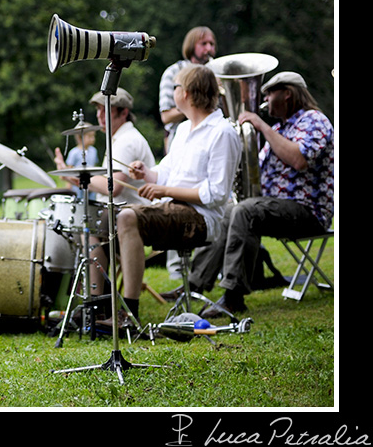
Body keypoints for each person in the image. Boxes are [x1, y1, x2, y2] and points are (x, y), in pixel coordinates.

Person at [177, 71, 334, 319]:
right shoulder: (281, 128)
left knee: (245, 211)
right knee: (228, 210)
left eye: (270, 94)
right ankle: (193, 286)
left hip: (307, 210)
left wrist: (261, 126)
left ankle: (233, 297)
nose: (265, 99)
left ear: (287, 94)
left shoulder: (314, 120)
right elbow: (254, 171)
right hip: (276, 207)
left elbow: (299, 159)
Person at [112, 64, 241, 329]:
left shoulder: (223, 132)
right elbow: (165, 174)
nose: (173, 93)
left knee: (126, 217)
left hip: (202, 219)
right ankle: (101, 307)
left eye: (176, 87)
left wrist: (165, 191)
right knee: (105, 219)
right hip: (173, 208)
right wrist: (146, 173)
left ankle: (129, 314)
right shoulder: (182, 130)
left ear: (188, 93)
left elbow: (216, 194)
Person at [53, 88, 156, 296]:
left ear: (123, 112)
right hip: (120, 212)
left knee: (87, 227)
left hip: (133, 214)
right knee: (85, 222)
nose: (99, 116)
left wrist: (77, 177)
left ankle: (97, 299)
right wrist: (74, 177)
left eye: (105, 110)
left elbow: (113, 187)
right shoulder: (119, 138)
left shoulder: (126, 141)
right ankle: (99, 295)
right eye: (98, 110)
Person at [157, 28, 217, 278]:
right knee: (179, 201)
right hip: (181, 142)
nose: (209, 48)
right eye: (204, 43)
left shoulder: (217, 71)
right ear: (191, 45)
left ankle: (205, 270)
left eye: (212, 43)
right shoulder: (173, 72)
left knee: (211, 202)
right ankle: (177, 271)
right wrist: (196, 102)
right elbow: (166, 116)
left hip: (211, 141)